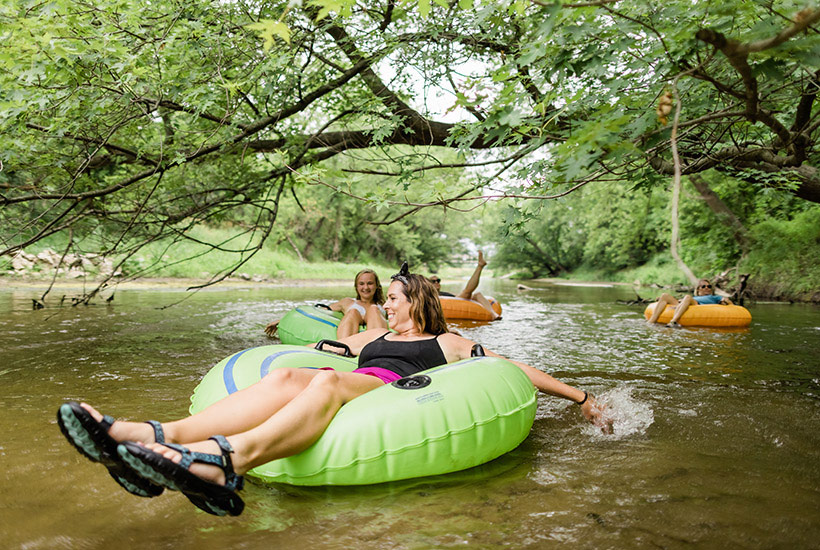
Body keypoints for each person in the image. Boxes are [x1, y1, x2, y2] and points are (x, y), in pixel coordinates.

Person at [56, 263, 609, 517]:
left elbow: (516, 369)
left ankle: (229, 459)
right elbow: (324, 351)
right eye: (384, 298)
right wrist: (286, 338)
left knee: (318, 383)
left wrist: (581, 400)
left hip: (394, 390)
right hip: (354, 378)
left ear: (416, 301)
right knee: (286, 375)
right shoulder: (373, 332)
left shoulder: (451, 342)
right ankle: (148, 435)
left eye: (393, 297)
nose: (385, 304)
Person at [264, 268, 388, 339]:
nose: (365, 287)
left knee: (373, 309)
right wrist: (283, 320)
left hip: (375, 325)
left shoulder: (384, 306)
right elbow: (317, 312)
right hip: (351, 326)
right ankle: (344, 348)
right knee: (353, 312)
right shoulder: (347, 302)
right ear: (356, 286)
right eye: (361, 284)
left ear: (377, 286)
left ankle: (376, 348)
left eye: (370, 283)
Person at [429, 251, 500, 320]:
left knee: (477, 294)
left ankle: (493, 313)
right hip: (454, 302)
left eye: (438, 280)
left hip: (458, 300)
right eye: (433, 281)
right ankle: (480, 266)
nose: (436, 282)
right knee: (466, 292)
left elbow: (456, 296)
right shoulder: (429, 296)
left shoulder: (444, 293)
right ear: (428, 284)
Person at [647, 278, 734, 328]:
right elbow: (683, 300)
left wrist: (726, 302)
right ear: (698, 289)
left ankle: (673, 321)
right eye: (704, 286)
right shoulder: (694, 297)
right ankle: (651, 322)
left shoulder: (715, 297)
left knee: (688, 297)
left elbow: (726, 300)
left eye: (709, 286)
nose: (707, 288)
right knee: (664, 295)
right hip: (688, 303)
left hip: (698, 307)